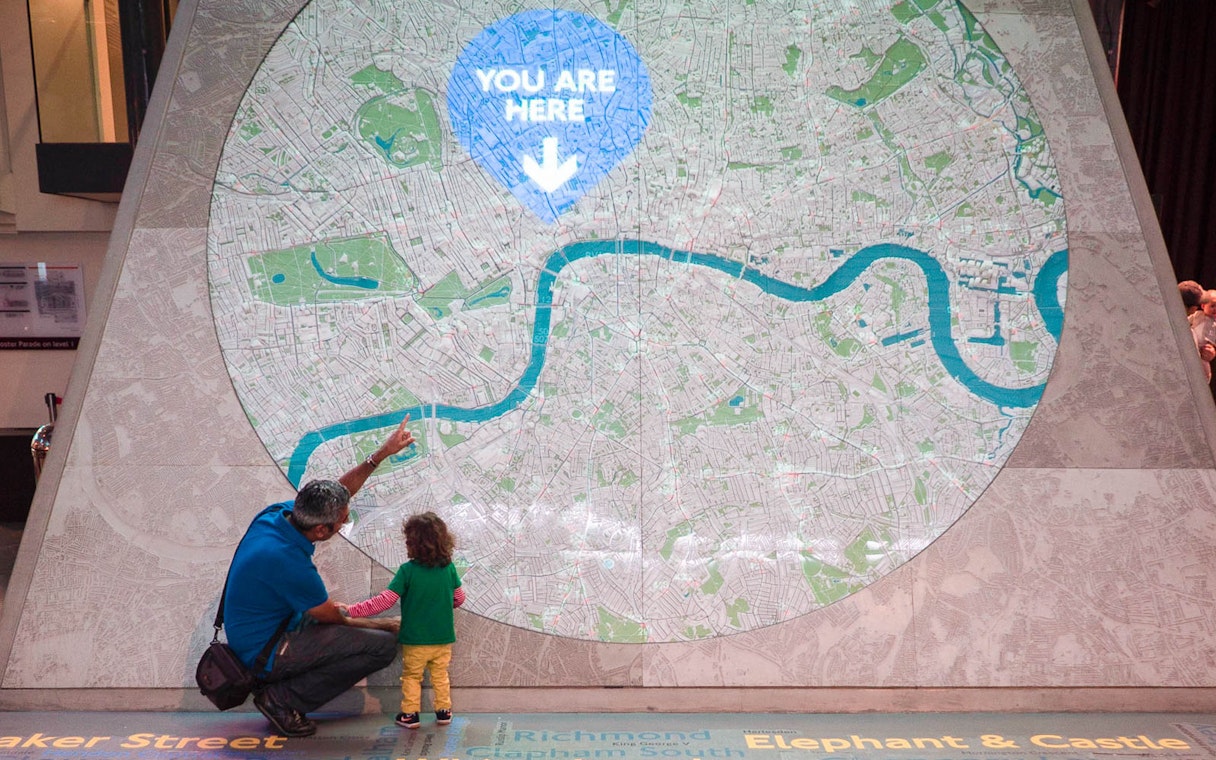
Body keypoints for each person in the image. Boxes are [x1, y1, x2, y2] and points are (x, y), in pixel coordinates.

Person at [223, 415, 416, 738]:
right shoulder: (289, 562)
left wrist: (380, 455)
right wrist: (388, 624)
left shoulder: (278, 516)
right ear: (321, 531)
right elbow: (334, 617)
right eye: (342, 521)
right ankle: (282, 700)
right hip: (265, 650)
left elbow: (339, 493)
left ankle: (282, 689)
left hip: (266, 629)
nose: (345, 522)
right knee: (381, 646)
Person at [342, 511, 464, 730]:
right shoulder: (449, 569)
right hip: (443, 638)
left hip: (415, 640)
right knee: (440, 675)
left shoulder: (407, 571)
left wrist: (352, 610)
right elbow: (459, 598)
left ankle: (410, 714)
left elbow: (384, 601)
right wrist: (443, 604)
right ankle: (444, 711)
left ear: (413, 543)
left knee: (411, 677)